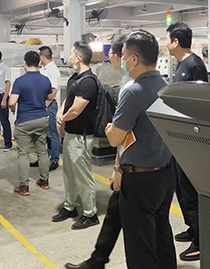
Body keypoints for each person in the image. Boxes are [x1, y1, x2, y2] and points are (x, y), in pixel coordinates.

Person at [104, 29, 175, 269]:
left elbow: (116, 138)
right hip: (164, 174)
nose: (122, 60)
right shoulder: (166, 86)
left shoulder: (133, 91)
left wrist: (109, 129)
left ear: (133, 59)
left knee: (140, 244)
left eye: (124, 56)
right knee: (161, 234)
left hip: (140, 179)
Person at [65, 35, 130, 269]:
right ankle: (97, 259)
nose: (110, 57)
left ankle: (90, 214)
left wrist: (118, 166)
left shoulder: (127, 88)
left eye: (112, 53)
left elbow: (119, 134)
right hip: (128, 163)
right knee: (114, 217)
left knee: (141, 229)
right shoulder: (76, 78)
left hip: (136, 167)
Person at [165, 22, 208, 262]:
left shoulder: (194, 64)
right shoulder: (181, 64)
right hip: (178, 136)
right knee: (180, 188)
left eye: (167, 39)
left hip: (191, 138)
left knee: (191, 191)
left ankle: (202, 241)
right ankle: (192, 227)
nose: (166, 44)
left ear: (176, 41)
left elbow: (202, 102)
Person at [53, 41, 100, 230]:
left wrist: (63, 118)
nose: (69, 56)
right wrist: (60, 113)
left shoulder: (89, 81)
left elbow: (77, 109)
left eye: (72, 54)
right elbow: (69, 100)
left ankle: (90, 214)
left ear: (79, 58)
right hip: (71, 135)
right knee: (69, 174)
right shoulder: (75, 78)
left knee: (82, 176)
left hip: (82, 137)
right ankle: (69, 206)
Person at [8, 51, 55, 196]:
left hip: (25, 121)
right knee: (42, 151)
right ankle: (44, 181)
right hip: (42, 119)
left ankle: (24, 186)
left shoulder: (20, 81)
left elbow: (12, 102)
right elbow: (49, 96)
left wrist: (13, 109)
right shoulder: (45, 80)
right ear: (39, 62)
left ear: (24, 62)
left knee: (23, 153)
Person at [39, 45, 62, 171]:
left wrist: (45, 106)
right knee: (45, 134)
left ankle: (54, 159)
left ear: (43, 56)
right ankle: (44, 157)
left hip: (50, 105)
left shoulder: (52, 70)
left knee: (53, 133)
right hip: (44, 104)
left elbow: (53, 92)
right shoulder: (44, 69)